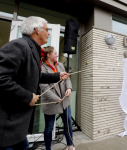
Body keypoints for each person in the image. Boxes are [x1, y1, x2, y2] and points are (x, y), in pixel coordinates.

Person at [0, 16, 69, 150]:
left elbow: (34, 76)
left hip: (18, 129)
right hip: (7, 129)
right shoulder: (18, 45)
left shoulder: (33, 50)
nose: (48, 33)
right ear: (36, 30)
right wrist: (28, 96)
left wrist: (57, 75)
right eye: (47, 30)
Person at [40, 46, 74, 150]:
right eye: (55, 53)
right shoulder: (42, 68)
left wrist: (69, 88)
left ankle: (70, 146)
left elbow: (67, 78)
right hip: (51, 102)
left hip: (64, 101)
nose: (57, 55)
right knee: (49, 128)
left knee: (68, 124)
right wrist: (55, 98)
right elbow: (44, 87)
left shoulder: (60, 65)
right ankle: (48, 148)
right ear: (49, 55)